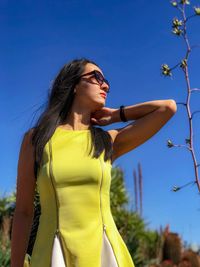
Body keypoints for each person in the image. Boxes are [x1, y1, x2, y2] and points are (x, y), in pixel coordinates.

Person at [11, 58, 177, 267]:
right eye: (96, 77)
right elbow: (24, 211)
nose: (105, 85)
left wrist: (117, 115)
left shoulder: (107, 141)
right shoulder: (37, 139)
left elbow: (168, 108)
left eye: (106, 80)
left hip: (105, 254)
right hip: (52, 254)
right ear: (73, 85)